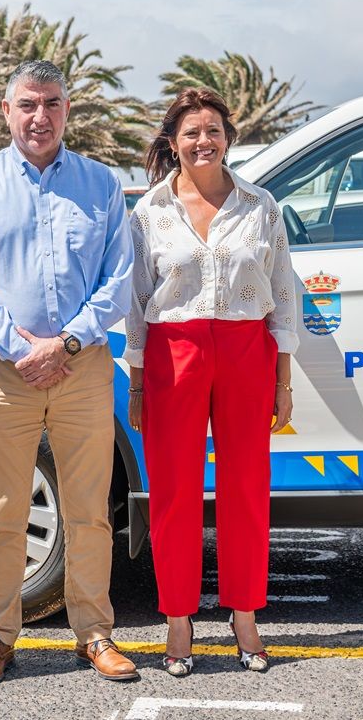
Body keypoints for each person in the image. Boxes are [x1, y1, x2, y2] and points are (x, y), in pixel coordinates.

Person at [0, 60, 138, 685]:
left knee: (88, 511)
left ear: (67, 110)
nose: (40, 116)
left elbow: (118, 279)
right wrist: (20, 346)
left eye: (52, 103)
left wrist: (69, 342)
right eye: (28, 104)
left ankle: (96, 634)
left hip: (83, 368)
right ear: (7, 111)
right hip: (7, 372)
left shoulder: (101, 184)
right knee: (2, 510)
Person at [124, 87, 298, 677]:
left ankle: (245, 615)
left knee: (246, 486)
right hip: (174, 351)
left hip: (248, 349)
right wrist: (139, 381)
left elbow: (284, 295)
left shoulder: (261, 206)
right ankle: (178, 618)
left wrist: (284, 378)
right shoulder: (148, 212)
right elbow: (136, 301)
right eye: (192, 132)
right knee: (173, 492)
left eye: (214, 130)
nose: (205, 141)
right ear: (172, 144)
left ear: (229, 138)